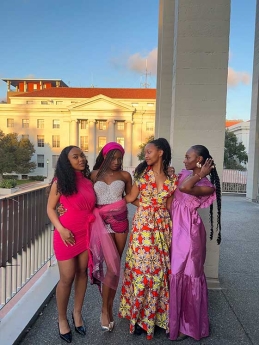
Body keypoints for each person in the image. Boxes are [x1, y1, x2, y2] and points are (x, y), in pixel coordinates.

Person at [118, 138, 178, 340]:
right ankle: (138, 319)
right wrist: (145, 207)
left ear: (160, 152)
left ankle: (155, 318)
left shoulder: (172, 178)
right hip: (143, 229)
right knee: (143, 272)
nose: (146, 155)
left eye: (149, 151)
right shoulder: (143, 175)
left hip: (163, 228)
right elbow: (129, 198)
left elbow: (169, 206)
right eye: (146, 152)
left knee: (160, 273)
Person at [168, 145, 221, 341]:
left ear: (199, 160)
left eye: (187, 157)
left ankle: (188, 325)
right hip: (175, 230)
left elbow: (184, 189)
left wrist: (200, 174)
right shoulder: (183, 174)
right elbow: (175, 189)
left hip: (190, 234)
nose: (184, 160)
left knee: (189, 276)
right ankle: (175, 320)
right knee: (175, 274)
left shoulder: (207, 184)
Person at [47, 146, 96, 343]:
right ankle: (61, 318)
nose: (81, 159)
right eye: (75, 157)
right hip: (66, 234)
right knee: (66, 278)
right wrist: (60, 228)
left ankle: (77, 313)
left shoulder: (88, 181)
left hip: (86, 233)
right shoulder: (60, 182)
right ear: (67, 161)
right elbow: (51, 208)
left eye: (82, 156)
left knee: (82, 273)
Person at [90, 142, 133, 331]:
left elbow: (133, 197)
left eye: (119, 159)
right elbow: (82, 196)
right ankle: (105, 311)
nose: (116, 162)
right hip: (100, 225)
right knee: (108, 266)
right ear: (104, 157)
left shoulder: (125, 176)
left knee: (114, 268)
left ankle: (108, 308)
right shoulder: (93, 175)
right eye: (113, 158)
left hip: (120, 223)